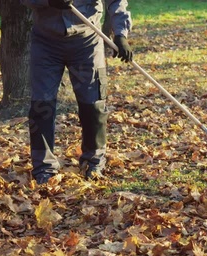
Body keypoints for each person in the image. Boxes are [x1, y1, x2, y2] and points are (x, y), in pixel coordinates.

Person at [21, 0, 133, 184]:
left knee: (93, 104)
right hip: (45, 43)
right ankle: (43, 167)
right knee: (42, 105)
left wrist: (121, 34)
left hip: (87, 41)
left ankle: (94, 162)